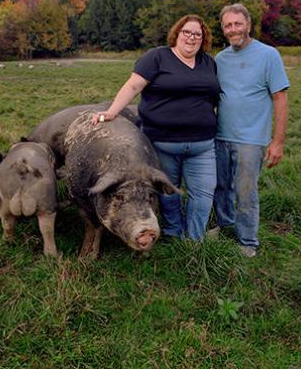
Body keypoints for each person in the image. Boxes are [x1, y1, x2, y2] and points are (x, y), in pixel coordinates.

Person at [92, 14, 219, 241]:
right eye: (187, 32)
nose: (192, 37)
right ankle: (173, 232)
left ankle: (194, 240)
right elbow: (133, 86)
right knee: (168, 191)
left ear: (203, 38)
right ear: (177, 34)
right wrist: (112, 111)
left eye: (197, 34)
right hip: (162, 142)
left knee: (203, 194)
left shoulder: (208, 62)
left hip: (203, 144)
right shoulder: (157, 57)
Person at [212, 3, 290, 257]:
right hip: (220, 135)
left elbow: (280, 97)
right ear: (223, 29)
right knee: (220, 187)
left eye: (237, 23)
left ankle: (247, 241)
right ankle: (224, 226)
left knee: (246, 192)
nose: (233, 29)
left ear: (248, 24)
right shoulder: (220, 59)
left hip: (251, 140)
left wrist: (277, 142)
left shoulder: (268, 55)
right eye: (228, 25)